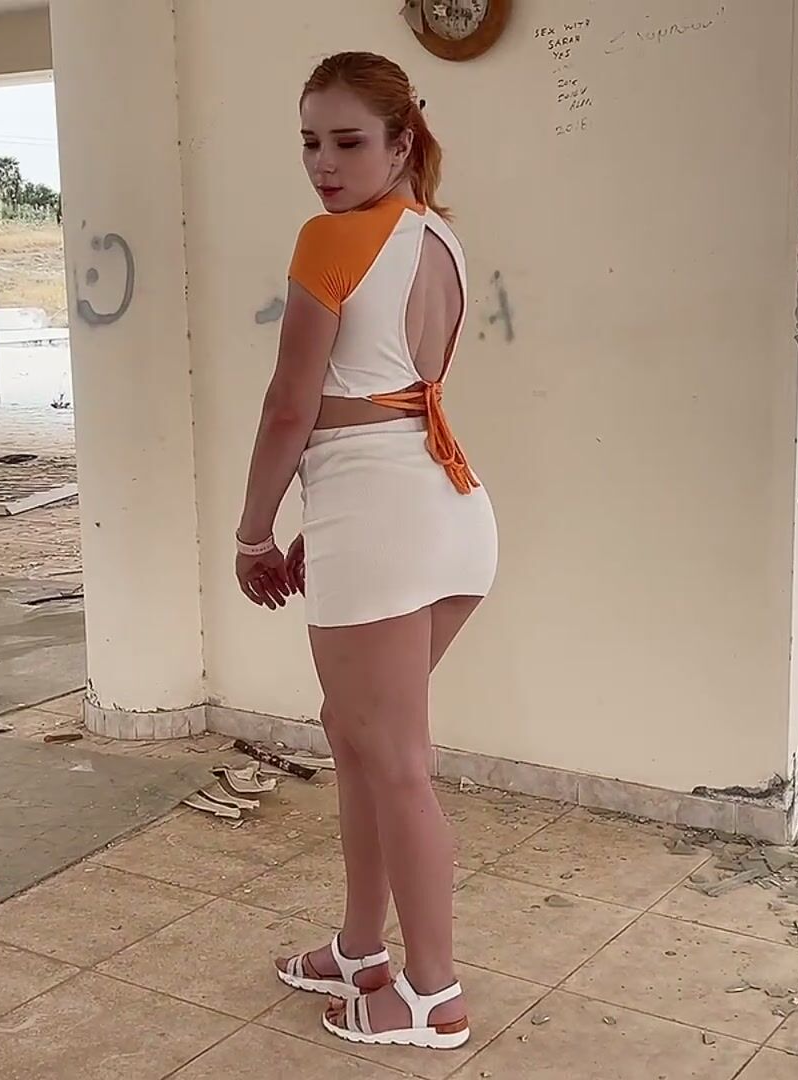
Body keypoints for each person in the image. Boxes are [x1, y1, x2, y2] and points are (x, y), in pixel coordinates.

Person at [232, 50, 498, 1051]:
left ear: (400, 141)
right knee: (357, 740)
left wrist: (254, 531)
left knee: (392, 761)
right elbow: (384, 397)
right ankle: (359, 951)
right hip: (442, 510)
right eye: (309, 142)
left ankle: (433, 996)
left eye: (348, 142)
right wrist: (324, 520)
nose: (324, 164)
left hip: (385, 518)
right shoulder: (440, 238)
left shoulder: (331, 239)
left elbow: (290, 405)